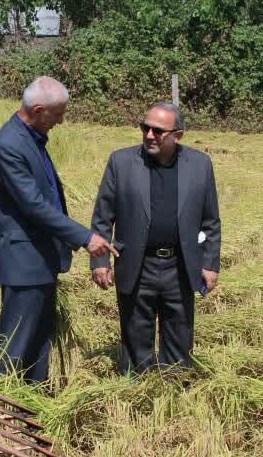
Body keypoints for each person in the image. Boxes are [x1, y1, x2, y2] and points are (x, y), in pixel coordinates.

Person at [0, 76, 115, 384]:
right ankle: (0, 410)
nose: (61, 120)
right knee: (15, 346)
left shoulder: (30, 137)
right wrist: (85, 237)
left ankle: (33, 402)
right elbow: (34, 205)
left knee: (38, 340)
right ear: (39, 109)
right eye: (58, 113)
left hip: (39, 259)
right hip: (23, 261)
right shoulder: (10, 145)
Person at [90, 101, 221, 374]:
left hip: (181, 266)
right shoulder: (121, 162)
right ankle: (138, 391)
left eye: (158, 131)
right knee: (136, 336)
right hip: (137, 264)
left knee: (179, 335)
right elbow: (103, 216)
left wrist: (209, 263)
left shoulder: (200, 165)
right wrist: (100, 261)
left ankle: (174, 392)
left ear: (178, 135)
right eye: (145, 127)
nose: (149, 135)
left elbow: (210, 222)